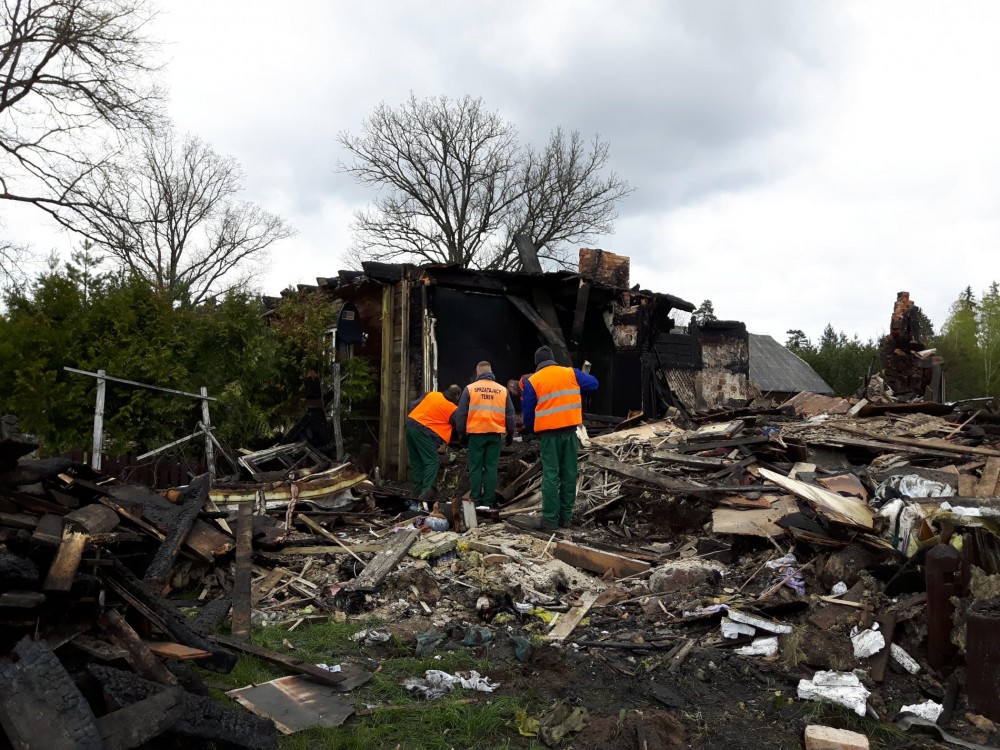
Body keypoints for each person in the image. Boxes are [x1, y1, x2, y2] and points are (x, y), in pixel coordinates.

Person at [522, 346, 598, 530]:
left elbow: (528, 412)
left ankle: (550, 519)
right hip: (570, 433)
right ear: (553, 359)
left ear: (537, 363)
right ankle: (566, 518)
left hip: (548, 436)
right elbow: (594, 384)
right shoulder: (571, 373)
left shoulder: (533, 380)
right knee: (569, 474)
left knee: (551, 475)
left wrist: (531, 431)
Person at [455, 361, 515, 508]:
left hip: (476, 434)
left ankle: (475, 501)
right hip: (495, 434)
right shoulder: (502, 390)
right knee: (491, 468)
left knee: (475, 468)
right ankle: (488, 502)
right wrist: (510, 434)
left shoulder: (470, 389)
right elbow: (510, 415)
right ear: (491, 372)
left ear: (478, 373)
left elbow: (461, 414)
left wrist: (461, 435)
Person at [405, 384, 461, 496]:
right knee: (433, 461)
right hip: (423, 432)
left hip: (409, 426)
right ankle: (426, 495)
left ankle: (416, 494)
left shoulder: (432, 394)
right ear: (458, 396)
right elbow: (461, 426)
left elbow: (413, 405)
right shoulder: (453, 409)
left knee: (418, 462)